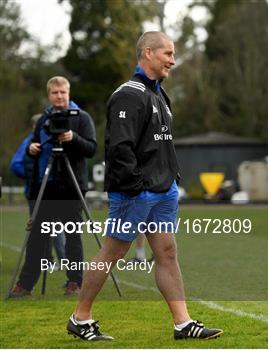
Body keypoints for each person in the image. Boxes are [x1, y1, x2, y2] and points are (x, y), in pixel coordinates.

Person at [67, 31, 222, 341]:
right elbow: (119, 148)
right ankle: (80, 318)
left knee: (167, 253)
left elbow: (162, 144)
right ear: (148, 53)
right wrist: (137, 187)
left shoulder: (161, 95)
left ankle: (183, 323)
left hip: (163, 192)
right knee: (114, 251)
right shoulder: (128, 94)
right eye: (168, 53)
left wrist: (172, 180)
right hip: (135, 192)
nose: (173, 60)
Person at [9, 76, 97, 297]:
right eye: (55, 93)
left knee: (72, 236)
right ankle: (25, 284)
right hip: (46, 185)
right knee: (38, 236)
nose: (59, 96)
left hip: (72, 184)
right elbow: (35, 143)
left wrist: (73, 138)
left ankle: (75, 281)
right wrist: (32, 148)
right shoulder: (43, 119)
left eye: (63, 93)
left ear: (69, 93)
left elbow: (91, 149)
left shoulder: (82, 118)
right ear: (49, 95)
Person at [10, 114, 67, 267]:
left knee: (50, 225)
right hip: (35, 190)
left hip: (49, 189)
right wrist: (31, 176)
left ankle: (51, 260)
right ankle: (52, 260)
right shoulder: (30, 142)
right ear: (35, 127)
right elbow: (15, 164)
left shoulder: (47, 140)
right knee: (46, 226)